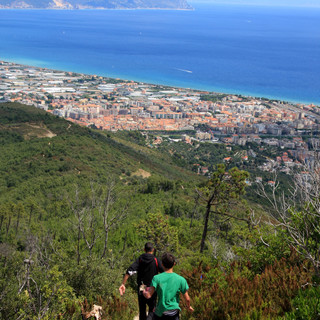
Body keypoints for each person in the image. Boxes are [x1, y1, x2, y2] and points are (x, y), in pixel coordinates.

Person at [119, 242, 164, 320]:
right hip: (152, 287)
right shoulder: (156, 260)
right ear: (153, 250)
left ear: (144, 250)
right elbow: (165, 272)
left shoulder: (140, 259)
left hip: (142, 286)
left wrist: (123, 284)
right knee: (152, 309)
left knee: (142, 309)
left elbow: (129, 271)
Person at [143, 252, 194, 319]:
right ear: (174, 264)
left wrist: (144, 291)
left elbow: (148, 295)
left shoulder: (156, 278)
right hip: (174, 314)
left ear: (162, 264)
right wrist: (188, 307)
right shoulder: (181, 279)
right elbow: (187, 299)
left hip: (160, 313)